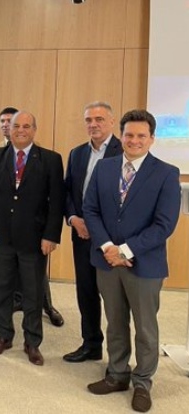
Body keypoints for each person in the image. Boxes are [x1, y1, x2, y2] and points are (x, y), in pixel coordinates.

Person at [84, 109, 180, 413]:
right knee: (115, 322)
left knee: (145, 327)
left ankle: (142, 382)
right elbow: (90, 210)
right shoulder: (104, 168)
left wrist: (125, 250)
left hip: (144, 264)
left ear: (151, 139)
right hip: (107, 261)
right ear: (121, 136)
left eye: (141, 135)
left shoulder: (166, 173)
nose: (134, 140)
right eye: (129, 135)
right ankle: (117, 374)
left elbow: (164, 225)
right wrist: (108, 247)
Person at [0, 111, 64, 366]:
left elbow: (56, 202)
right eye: (16, 126)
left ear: (34, 130)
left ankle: (32, 342)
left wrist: (51, 235)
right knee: (2, 288)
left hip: (34, 240)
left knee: (32, 293)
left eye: (27, 126)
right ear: (9, 129)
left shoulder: (50, 159)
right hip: (1, 236)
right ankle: (4, 335)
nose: (21, 130)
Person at [62, 102, 122, 362]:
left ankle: (117, 357)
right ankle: (91, 344)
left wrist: (98, 227)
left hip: (112, 238)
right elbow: (68, 191)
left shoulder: (124, 150)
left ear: (111, 122)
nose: (93, 124)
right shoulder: (77, 153)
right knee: (86, 291)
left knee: (114, 297)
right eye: (88, 120)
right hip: (82, 234)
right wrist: (73, 218)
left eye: (99, 119)